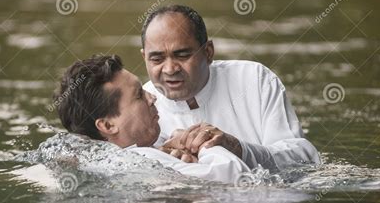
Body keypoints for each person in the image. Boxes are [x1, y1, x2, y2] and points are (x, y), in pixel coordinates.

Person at [140, 4, 320, 171]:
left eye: (182, 55)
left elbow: (303, 159)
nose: (170, 69)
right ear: (144, 58)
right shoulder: (139, 105)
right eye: (157, 59)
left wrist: (237, 148)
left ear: (208, 52)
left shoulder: (254, 80)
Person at [53, 54, 250, 183]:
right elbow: (233, 174)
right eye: (139, 95)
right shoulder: (141, 160)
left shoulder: (105, 162)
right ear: (107, 125)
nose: (152, 96)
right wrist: (202, 143)